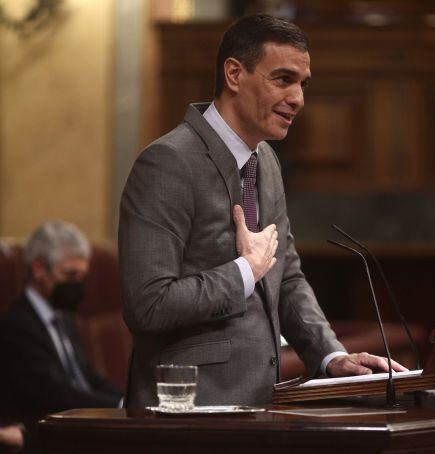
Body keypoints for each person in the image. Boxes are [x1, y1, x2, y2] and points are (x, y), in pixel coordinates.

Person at [119, 13, 407, 408]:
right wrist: (243, 272)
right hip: (188, 414)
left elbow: (285, 276)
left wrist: (331, 355)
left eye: (302, 84)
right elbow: (147, 304)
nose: (299, 99)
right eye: (283, 79)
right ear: (235, 74)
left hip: (260, 407)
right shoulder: (168, 163)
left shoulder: (265, 160)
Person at [0, 221, 122, 453]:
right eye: (70, 275)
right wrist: (117, 408)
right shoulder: (17, 325)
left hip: (79, 422)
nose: (77, 286)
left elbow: (86, 375)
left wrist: (128, 401)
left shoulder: (63, 316)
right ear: (38, 269)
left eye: (82, 277)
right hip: (43, 429)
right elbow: (55, 392)